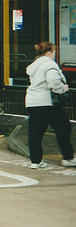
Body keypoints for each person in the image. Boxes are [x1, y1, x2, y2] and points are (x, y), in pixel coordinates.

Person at [25, 41, 76, 169]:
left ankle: (35, 161)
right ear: (49, 53)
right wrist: (63, 89)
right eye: (54, 52)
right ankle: (68, 158)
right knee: (64, 127)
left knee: (35, 132)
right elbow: (53, 82)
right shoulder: (49, 64)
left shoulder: (34, 65)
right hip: (47, 102)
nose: (54, 54)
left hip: (32, 102)